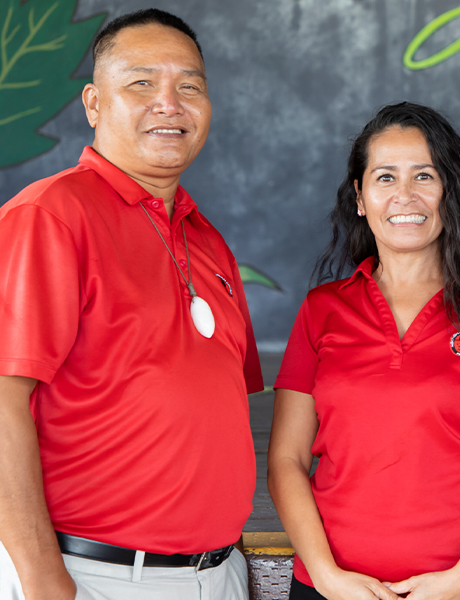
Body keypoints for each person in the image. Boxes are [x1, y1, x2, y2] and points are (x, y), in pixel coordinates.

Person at [0, 9, 263, 600]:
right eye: (142, 83)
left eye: (189, 86)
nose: (169, 103)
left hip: (215, 576)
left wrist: (231, 567)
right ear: (94, 104)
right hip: (90, 576)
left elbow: (215, 429)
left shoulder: (208, 240)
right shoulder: (49, 217)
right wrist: (46, 583)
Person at [268, 102, 460, 600]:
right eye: (384, 178)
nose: (405, 196)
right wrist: (328, 577)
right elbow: (286, 460)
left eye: (425, 175)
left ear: (451, 192)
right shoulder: (321, 310)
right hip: (334, 588)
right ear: (360, 197)